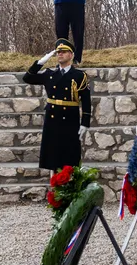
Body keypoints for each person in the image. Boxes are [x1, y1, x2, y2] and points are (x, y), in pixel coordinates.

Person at [22, 37, 92, 171]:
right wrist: (41, 62)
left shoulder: (79, 76)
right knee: (52, 157)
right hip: (52, 119)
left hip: (70, 119)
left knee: (70, 156)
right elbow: (27, 78)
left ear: (71, 55)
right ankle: (54, 182)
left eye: (64, 52)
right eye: (58, 52)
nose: (60, 54)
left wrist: (85, 123)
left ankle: (70, 183)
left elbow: (86, 100)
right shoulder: (49, 74)